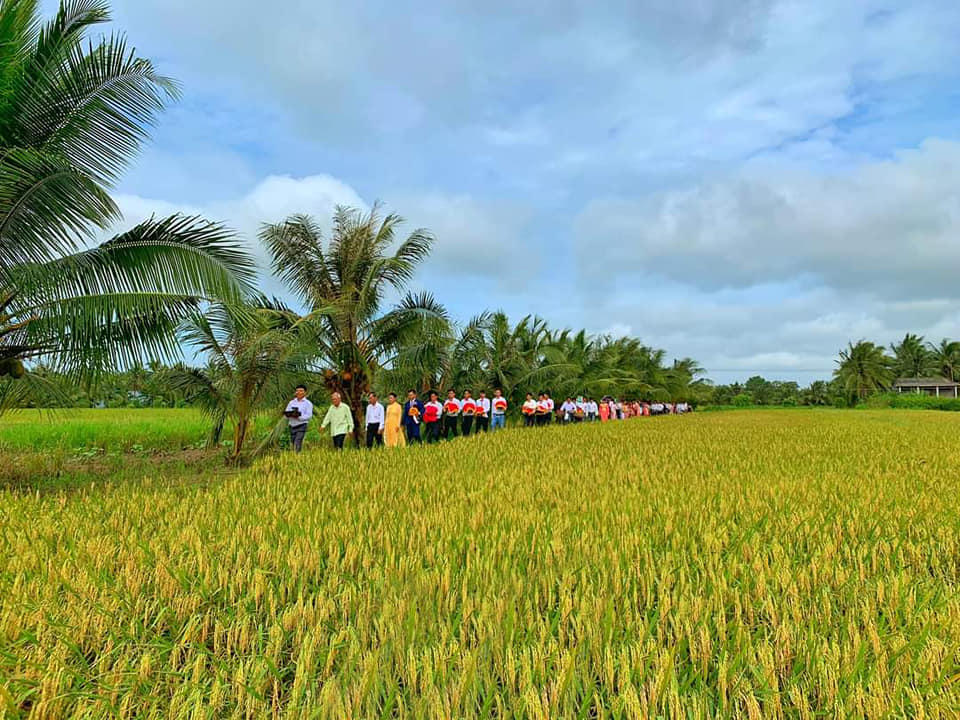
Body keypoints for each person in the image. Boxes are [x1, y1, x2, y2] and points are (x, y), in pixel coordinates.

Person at [284, 384, 313, 452]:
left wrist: (299, 417)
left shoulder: (308, 403)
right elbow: (287, 411)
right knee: (293, 442)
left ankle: (297, 456)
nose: (299, 392)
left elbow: (309, 415)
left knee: (297, 442)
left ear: (305, 392)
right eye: (297, 391)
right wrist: (290, 414)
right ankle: (296, 456)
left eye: (301, 391)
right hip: (292, 425)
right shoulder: (291, 402)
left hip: (301, 425)